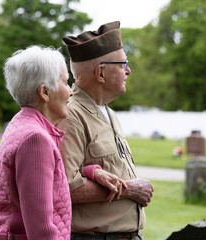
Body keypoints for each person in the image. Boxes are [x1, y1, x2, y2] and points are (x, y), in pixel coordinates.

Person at [0, 45, 125, 240]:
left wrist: (90, 172)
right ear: (45, 92)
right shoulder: (35, 140)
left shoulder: (23, 124)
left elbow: (40, 182)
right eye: (64, 82)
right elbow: (41, 231)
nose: (71, 92)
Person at [58, 21, 155, 240]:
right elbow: (67, 186)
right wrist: (128, 189)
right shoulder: (71, 116)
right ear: (101, 73)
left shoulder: (107, 111)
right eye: (123, 64)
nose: (128, 71)